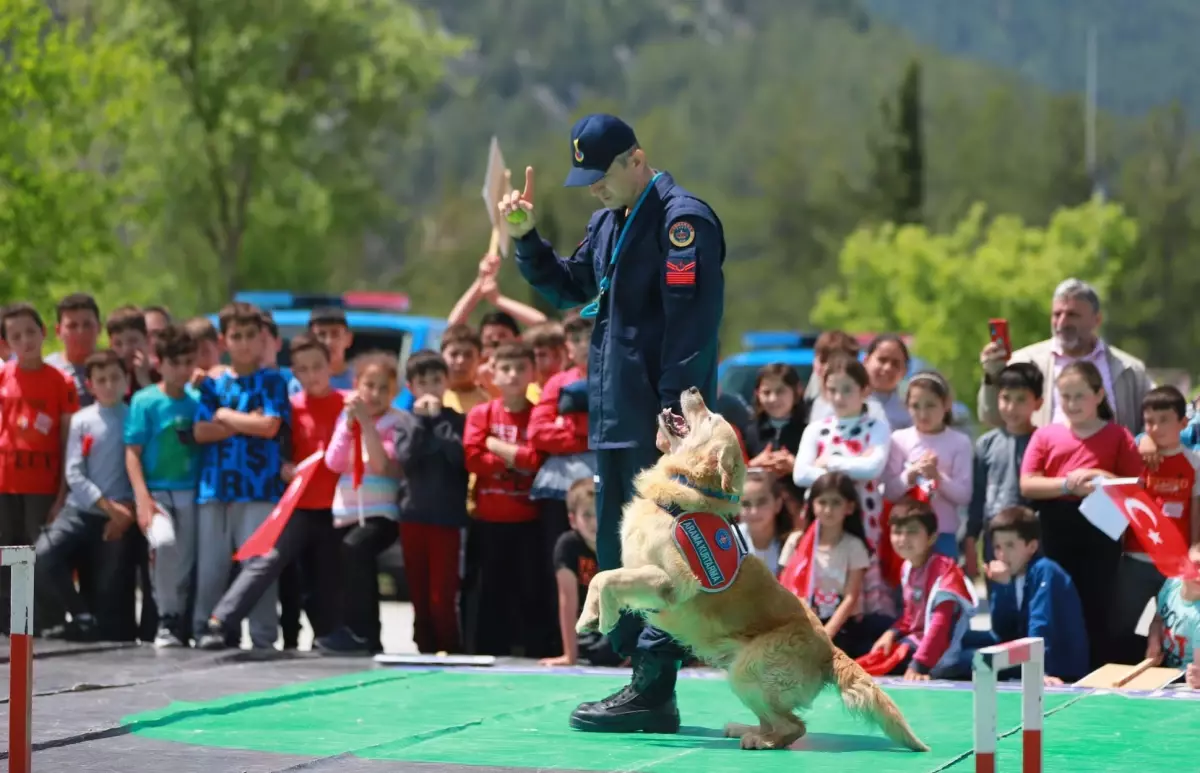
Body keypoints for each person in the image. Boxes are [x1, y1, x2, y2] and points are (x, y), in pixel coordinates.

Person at [504, 112, 725, 733]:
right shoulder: (608, 223)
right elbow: (571, 288)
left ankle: (655, 689)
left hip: (659, 425)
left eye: (602, 177)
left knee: (661, 556)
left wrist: (674, 411)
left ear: (636, 160)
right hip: (614, 418)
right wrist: (526, 238)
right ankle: (642, 681)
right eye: (586, 180)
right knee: (617, 552)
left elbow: (692, 328)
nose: (594, 190)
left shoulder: (683, 223)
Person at [202, 334, 345, 651]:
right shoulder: (291, 408)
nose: (312, 375)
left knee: (328, 575)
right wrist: (284, 467)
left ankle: (331, 634)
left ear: (330, 366)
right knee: (265, 560)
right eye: (303, 369)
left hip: (338, 508)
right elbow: (276, 450)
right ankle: (220, 621)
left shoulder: (346, 405)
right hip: (298, 505)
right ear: (294, 373)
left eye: (317, 367)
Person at [1019, 360, 1144, 669]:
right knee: (1055, 599)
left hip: (1101, 529)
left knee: (1098, 602)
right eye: (1066, 396)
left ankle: (1098, 668)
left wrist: (1099, 475)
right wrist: (1067, 483)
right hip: (1056, 527)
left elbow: (1137, 486)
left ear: (1099, 394)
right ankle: (1053, 668)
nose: (1072, 404)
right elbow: (1028, 483)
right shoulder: (1046, 435)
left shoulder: (1118, 436)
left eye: (1079, 396)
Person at [192, 302, 290, 651]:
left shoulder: (273, 381)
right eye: (236, 336)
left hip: (259, 486)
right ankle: (205, 629)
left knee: (257, 565)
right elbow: (201, 431)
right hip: (215, 486)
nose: (244, 343)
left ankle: (264, 638)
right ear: (224, 340)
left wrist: (225, 415)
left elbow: (269, 425)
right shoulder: (214, 383)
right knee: (211, 567)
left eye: (251, 336)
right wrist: (243, 420)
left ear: (262, 338)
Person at [36, 350, 135, 642]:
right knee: (41, 556)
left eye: (115, 378)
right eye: (101, 380)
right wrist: (106, 505)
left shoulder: (133, 417)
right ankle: (79, 614)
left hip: (119, 517)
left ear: (126, 381)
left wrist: (124, 511)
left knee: (108, 590)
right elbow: (74, 472)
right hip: (80, 510)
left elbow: (140, 469)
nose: (109, 385)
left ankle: (97, 627)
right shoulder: (82, 420)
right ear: (89, 385)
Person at [461, 342, 549, 656]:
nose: (513, 375)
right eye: (506, 369)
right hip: (488, 520)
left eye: (520, 368)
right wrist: (514, 461)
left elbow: (537, 459)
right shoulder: (481, 413)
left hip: (527, 521)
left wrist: (495, 446)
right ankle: (485, 650)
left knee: (529, 591)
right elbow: (472, 457)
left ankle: (530, 650)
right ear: (493, 374)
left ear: (532, 374)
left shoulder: (538, 414)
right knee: (487, 592)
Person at [978, 278, 1153, 435]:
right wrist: (993, 375)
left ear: (1097, 320)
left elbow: (1158, 415)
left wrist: (1146, 439)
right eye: (1057, 314)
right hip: (1042, 469)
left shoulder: (1128, 369)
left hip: (1113, 469)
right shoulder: (1023, 362)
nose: (1062, 322)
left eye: (1072, 315)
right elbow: (991, 419)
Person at [793, 354, 895, 618]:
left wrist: (831, 462)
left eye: (847, 389)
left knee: (861, 570)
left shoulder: (877, 426)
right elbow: (801, 474)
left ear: (865, 390)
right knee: (824, 570)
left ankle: (863, 632)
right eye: (832, 390)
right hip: (825, 518)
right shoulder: (816, 429)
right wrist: (852, 464)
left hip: (864, 516)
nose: (839, 397)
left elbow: (873, 467)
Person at [0, 302, 80, 633]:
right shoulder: (3, 378)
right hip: (5, 483)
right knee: (6, 553)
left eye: (31, 332)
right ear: (7, 343)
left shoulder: (61, 382)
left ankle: (49, 622)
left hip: (43, 484)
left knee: (41, 556)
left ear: (44, 332)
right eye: (15, 336)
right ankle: (8, 624)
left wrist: (62, 493)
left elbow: (67, 443)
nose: (25, 341)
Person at [320, 352, 405, 653]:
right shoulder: (347, 419)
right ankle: (348, 630)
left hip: (381, 512)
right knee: (344, 567)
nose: (376, 394)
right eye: (370, 386)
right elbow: (334, 461)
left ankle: (366, 633)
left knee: (356, 548)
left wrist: (367, 425)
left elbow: (382, 465)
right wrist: (349, 424)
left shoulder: (398, 421)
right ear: (357, 386)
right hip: (347, 510)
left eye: (384, 388)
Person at [1110, 386, 1200, 664]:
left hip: (1175, 566)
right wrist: (1140, 441)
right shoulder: (1136, 459)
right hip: (1135, 560)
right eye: (1149, 421)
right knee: (1121, 628)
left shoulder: (1194, 463)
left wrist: (1194, 550)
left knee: (1171, 627)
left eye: (1164, 420)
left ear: (1183, 423)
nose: (1156, 428)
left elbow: (1195, 513)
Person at [125, 326, 202, 648]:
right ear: (161, 363)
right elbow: (132, 452)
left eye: (188, 362)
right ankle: (166, 618)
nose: (182, 370)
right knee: (164, 547)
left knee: (186, 559)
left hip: (192, 490)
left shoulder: (198, 401)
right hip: (157, 491)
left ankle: (182, 620)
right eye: (175, 362)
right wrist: (142, 498)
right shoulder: (145, 402)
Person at [393, 350, 469, 655]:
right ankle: (423, 649)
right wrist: (423, 423)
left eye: (436, 380)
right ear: (411, 387)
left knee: (442, 593)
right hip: (413, 517)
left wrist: (437, 420)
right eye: (422, 382)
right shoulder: (406, 421)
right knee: (419, 592)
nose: (430, 388)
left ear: (447, 383)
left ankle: (450, 647)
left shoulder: (457, 421)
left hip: (447, 519)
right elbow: (407, 460)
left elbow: (458, 458)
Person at [963, 506, 1089, 684]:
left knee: (964, 661)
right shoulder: (1011, 575)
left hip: (1057, 668)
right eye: (997, 547)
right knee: (961, 644)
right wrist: (1003, 586)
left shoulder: (1045, 571)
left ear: (1031, 546)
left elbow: (1041, 624)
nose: (1002, 554)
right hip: (1025, 659)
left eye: (1010, 546)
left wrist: (1039, 672)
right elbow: (1002, 631)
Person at [778, 471, 892, 657]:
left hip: (840, 627)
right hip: (799, 621)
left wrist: (826, 632)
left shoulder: (854, 546)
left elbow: (850, 597)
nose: (828, 510)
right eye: (822, 502)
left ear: (850, 507)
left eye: (836, 503)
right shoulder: (797, 541)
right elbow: (784, 586)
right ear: (812, 505)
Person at [867, 498, 976, 680]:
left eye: (912, 532)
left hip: (943, 657)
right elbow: (911, 618)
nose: (903, 539)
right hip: (918, 644)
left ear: (932, 537)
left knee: (988, 659)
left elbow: (940, 624)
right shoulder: (907, 567)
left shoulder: (945, 573)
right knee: (873, 654)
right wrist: (891, 634)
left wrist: (920, 665)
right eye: (897, 532)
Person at [883, 372, 974, 559]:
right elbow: (889, 491)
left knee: (943, 585)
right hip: (905, 534)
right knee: (906, 587)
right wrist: (910, 474)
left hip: (943, 533)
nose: (923, 413)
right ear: (906, 407)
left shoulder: (960, 442)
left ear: (946, 404)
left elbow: (964, 496)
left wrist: (937, 477)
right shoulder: (899, 439)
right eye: (915, 406)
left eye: (931, 405)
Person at [966, 363, 1043, 579]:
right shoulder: (986, 444)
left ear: (1038, 403)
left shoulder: (1044, 442)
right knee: (1001, 602)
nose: (1011, 407)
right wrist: (971, 538)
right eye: (1006, 398)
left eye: (1021, 400)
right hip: (996, 537)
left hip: (1033, 538)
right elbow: (978, 495)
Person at [539, 477, 621, 667]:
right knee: (601, 651)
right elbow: (567, 602)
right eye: (587, 515)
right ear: (573, 520)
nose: (594, 522)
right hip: (591, 628)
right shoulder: (567, 546)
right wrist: (570, 656)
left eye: (598, 513)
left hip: (620, 624)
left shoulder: (620, 544)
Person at [1145, 541, 1200, 689]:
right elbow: (1158, 618)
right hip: (1165, 669)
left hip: (1184, 681)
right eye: (1197, 565)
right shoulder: (1171, 584)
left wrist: (1196, 679)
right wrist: (1154, 639)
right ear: (1182, 565)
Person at [46, 293, 102, 408]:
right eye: (72, 326)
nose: (80, 332)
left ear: (99, 328)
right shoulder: (47, 369)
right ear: (58, 331)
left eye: (87, 325)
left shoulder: (114, 366)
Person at [289, 307, 354, 396]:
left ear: (348, 339)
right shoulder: (299, 384)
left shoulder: (360, 381)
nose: (328, 342)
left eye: (335, 334)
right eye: (321, 335)